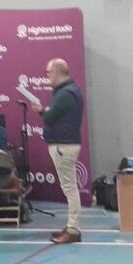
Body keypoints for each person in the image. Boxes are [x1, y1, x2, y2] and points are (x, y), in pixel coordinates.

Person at [31, 58, 84, 244]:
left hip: (63, 145)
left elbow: (51, 117)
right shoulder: (69, 91)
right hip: (66, 143)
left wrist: (40, 110)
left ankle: (73, 228)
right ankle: (72, 226)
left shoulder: (65, 93)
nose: (47, 76)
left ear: (58, 72)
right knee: (69, 187)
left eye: (49, 72)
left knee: (69, 188)